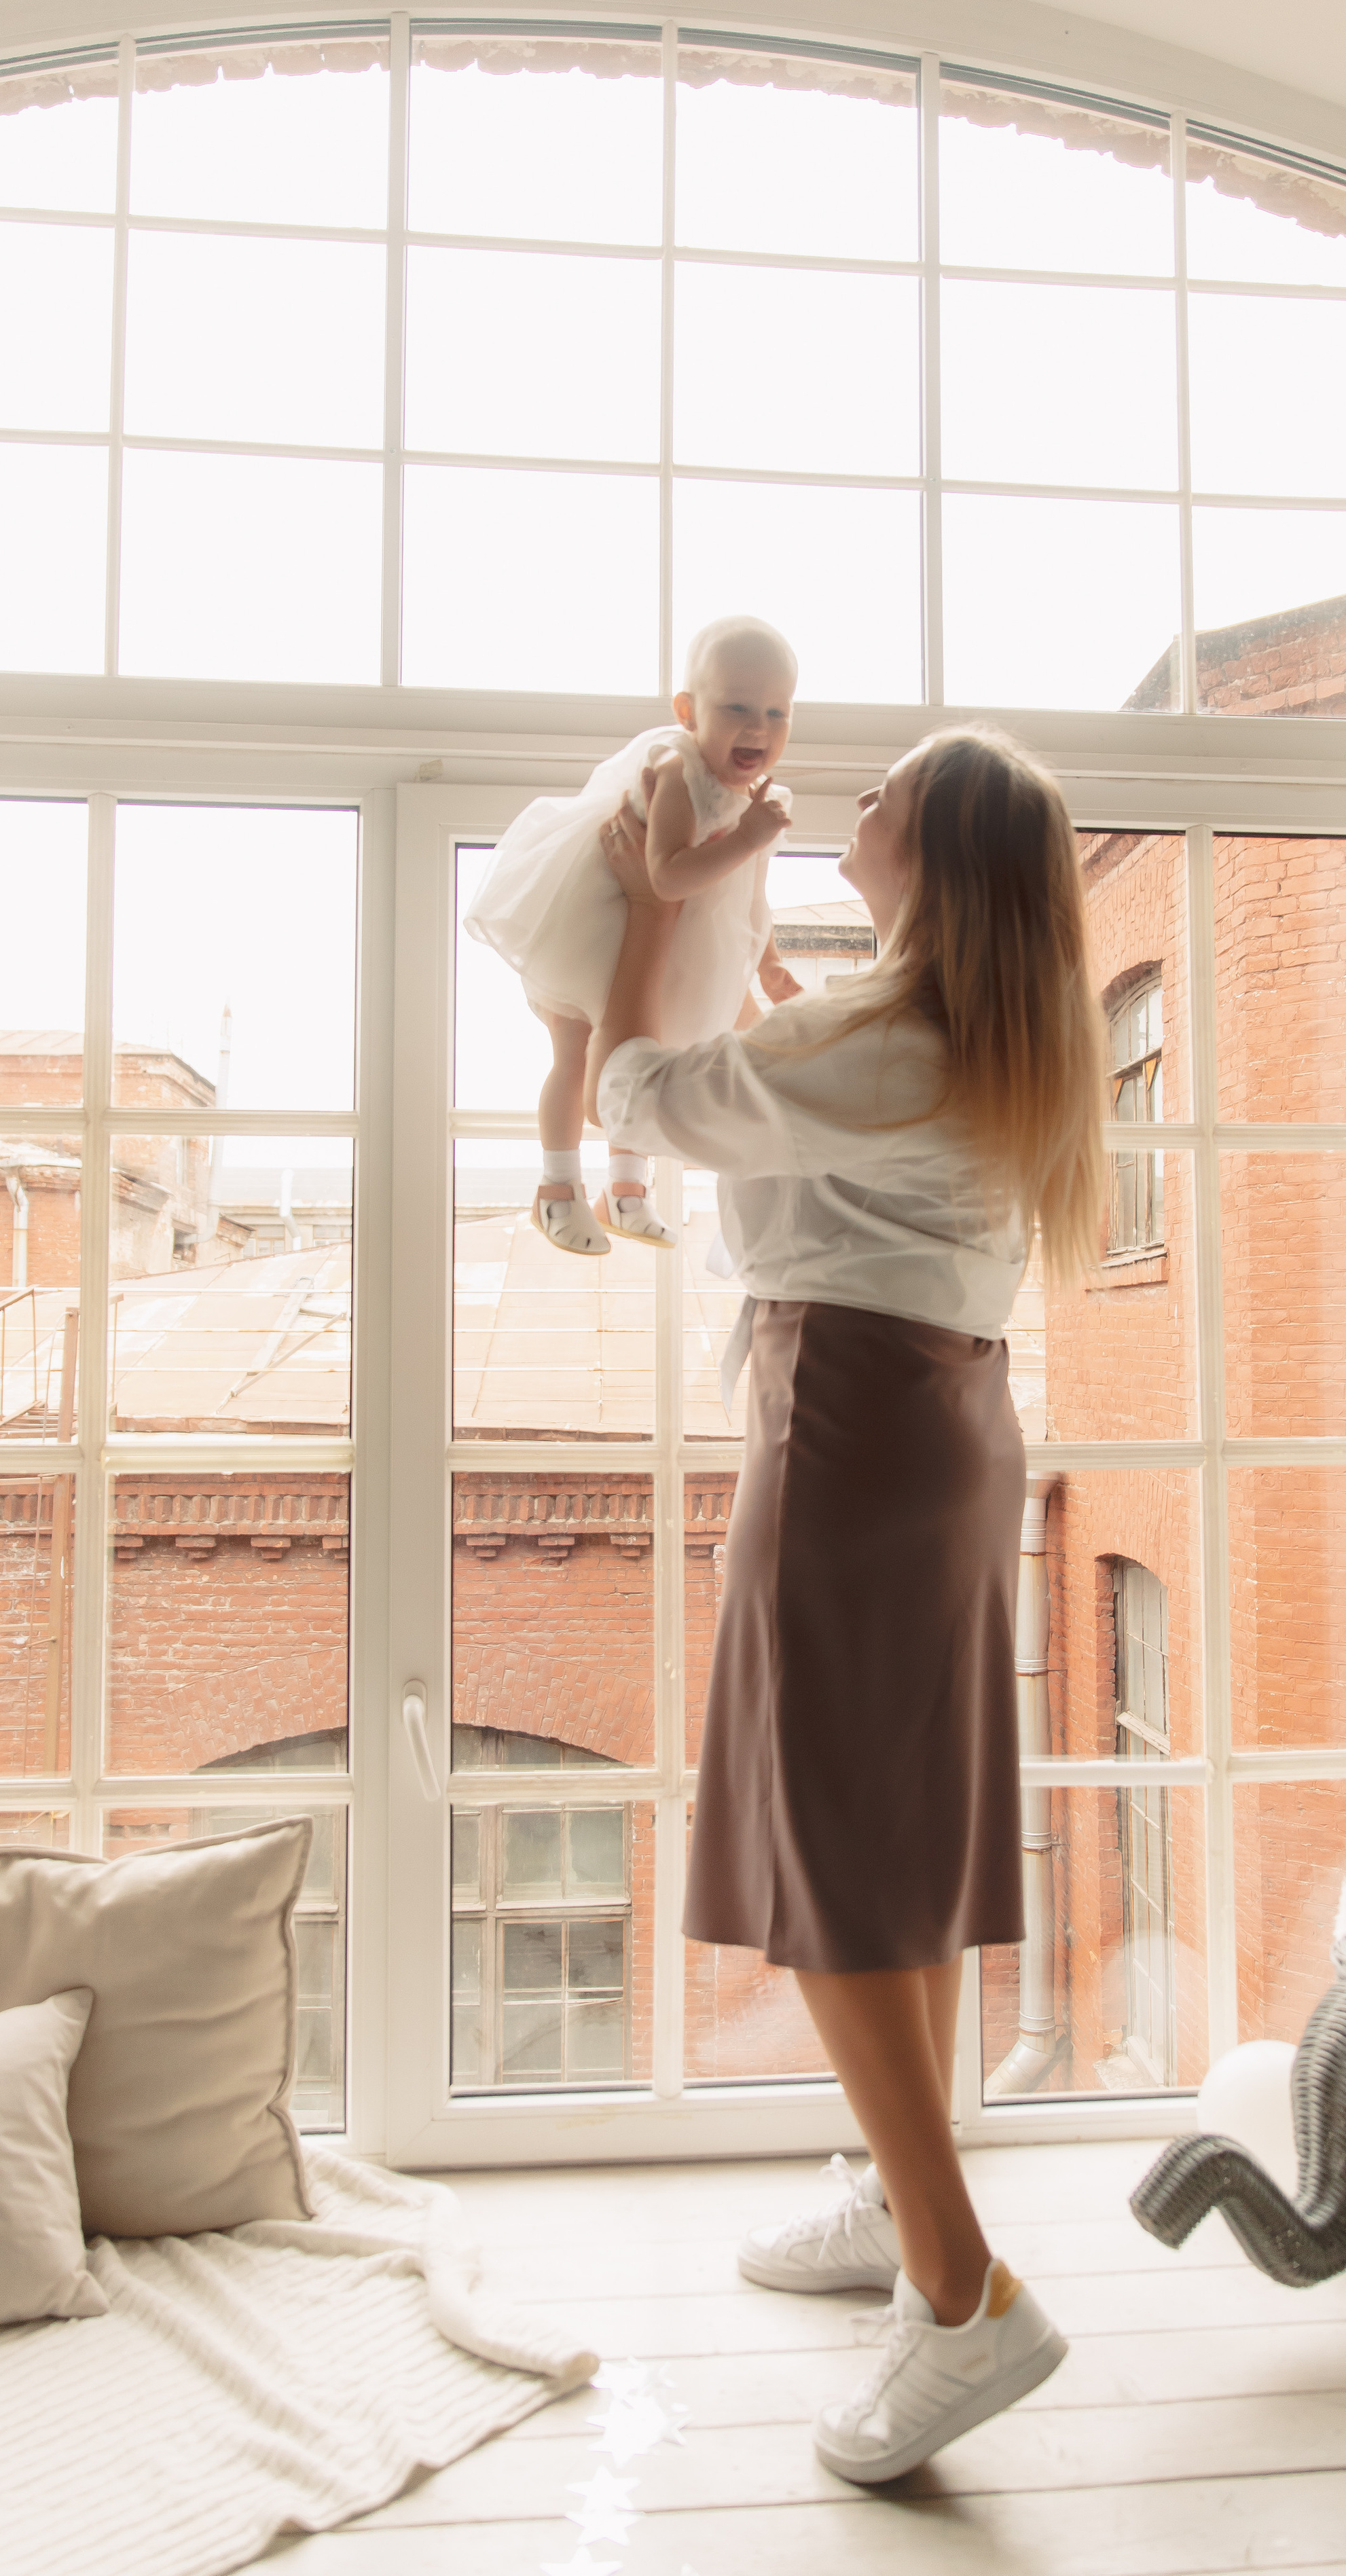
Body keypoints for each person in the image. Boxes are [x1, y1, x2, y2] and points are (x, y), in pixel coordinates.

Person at [585, 724, 1106, 2485]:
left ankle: (962, 2297)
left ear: (934, 854)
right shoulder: (968, 1027)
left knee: (827, 1862)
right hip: (942, 1419)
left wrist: (659, 898)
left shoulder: (893, 1038)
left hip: (849, 1427)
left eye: (889, 792)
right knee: (896, 1849)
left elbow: (637, 1095)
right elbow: (809, 1074)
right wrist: (747, 965)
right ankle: (901, 2199)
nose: (858, 800)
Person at [464, 614, 803, 1256]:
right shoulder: (678, 771)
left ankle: (625, 1189)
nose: (758, 727)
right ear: (688, 711)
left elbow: (747, 895)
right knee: (576, 1050)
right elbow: (667, 876)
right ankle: (557, 1188)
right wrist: (748, 836)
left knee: (640, 1054)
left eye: (776, 712)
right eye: (736, 707)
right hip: (604, 922)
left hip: (677, 939)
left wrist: (770, 961)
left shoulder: (760, 800)